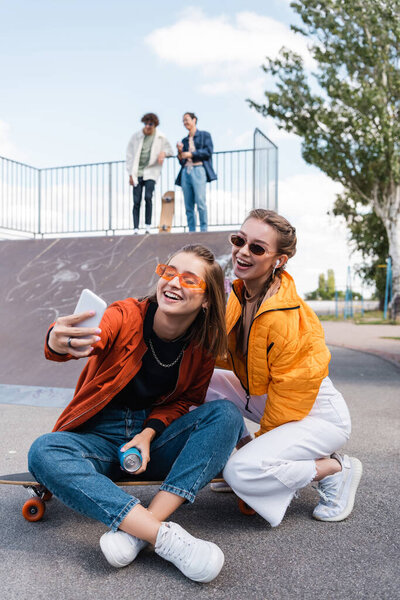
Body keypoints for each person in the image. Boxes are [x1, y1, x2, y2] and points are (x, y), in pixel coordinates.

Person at [28, 244, 244, 583]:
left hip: (152, 441)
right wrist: (58, 341)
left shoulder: (202, 345)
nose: (173, 283)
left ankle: (136, 530)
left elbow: (183, 402)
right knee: (44, 451)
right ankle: (163, 537)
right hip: (97, 438)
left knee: (226, 416)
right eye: (169, 272)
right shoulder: (126, 315)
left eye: (189, 279)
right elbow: (93, 338)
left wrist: (147, 434)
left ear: (207, 299)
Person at [206, 209, 363, 527]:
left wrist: (256, 470)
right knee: (200, 380)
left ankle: (335, 470)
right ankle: (254, 461)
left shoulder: (286, 317)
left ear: (279, 260)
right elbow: (227, 353)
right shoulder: (242, 292)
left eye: (258, 248)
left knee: (241, 472)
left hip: (316, 416)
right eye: (240, 240)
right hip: (268, 397)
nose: (243, 251)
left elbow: (287, 407)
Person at [126, 113, 173, 234]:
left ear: (154, 125)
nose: (147, 126)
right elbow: (129, 155)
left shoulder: (161, 137)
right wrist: (130, 174)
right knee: (136, 201)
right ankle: (136, 228)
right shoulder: (136, 136)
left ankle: (147, 226)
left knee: (148, 197)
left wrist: (163, 153)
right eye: (145, 123)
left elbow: (170, 150)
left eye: (150, 124)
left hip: (151, 172)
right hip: (137, 172)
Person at [175, 112, 217, 232]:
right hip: (185, 172)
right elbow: (181, 160)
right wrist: (180, 152)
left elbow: (208, 151)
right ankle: (191, 230)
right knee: (188, 204)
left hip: (199, 169)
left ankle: (204, 229)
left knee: (200, 201)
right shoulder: (184, 140)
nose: (185, 122)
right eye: (183, 120)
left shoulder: (205, 135)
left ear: (194, 120)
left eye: (187, 119)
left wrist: (191, 154)